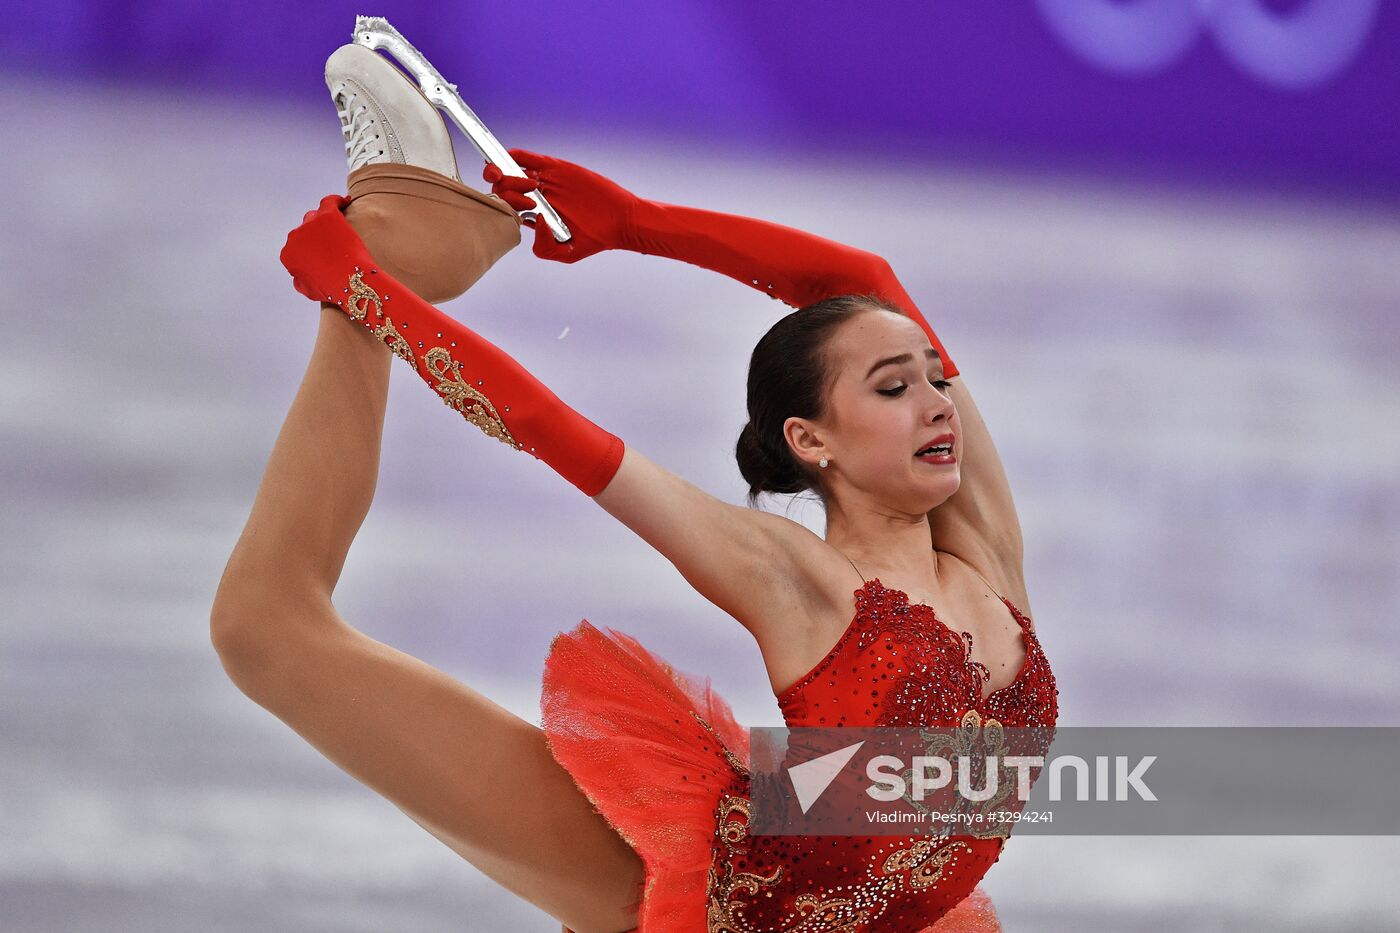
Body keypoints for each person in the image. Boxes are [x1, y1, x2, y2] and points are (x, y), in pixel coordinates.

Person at [211, 43, 1057, 933]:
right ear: (812, 441)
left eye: (935, 376)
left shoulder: (986, 549)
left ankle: (400, 237)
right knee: (262, 628)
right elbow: (553, 429)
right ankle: (393, 243)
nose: (940, 402)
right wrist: (369, 293)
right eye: (895, 387)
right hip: (692, 897)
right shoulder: (791, 575)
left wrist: (636, 220)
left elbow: (866, 286)